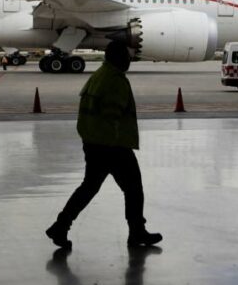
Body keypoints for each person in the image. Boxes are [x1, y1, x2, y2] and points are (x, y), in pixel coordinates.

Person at [45, 41, 162, 249]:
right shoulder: (115, 80)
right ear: (117, 58)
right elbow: (112, 116)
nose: (129, 60)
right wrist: (118, 146)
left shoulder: (99, 75)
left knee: (89, 188)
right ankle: (136, 232)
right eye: (126, 56)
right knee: (133, 188)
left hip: (93, 142)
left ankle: (60, 226)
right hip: (112, 145)